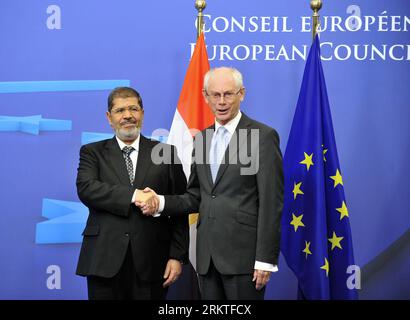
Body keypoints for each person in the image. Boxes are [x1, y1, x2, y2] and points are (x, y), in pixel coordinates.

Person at [137, 67, 284, 300]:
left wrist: (265, 259)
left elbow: (271, 202)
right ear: (205, 96)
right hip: (207, 259)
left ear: (242, 94)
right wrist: (160, 202)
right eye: (215, 95)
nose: (222, 101)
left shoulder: (262, 136)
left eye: (228, 94)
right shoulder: (202, 138)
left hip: (244, 260)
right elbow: (197, 195)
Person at [75, 87, 188, 300]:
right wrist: (135, 196)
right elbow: (87, 188)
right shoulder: (92, 152)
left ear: (142, 113)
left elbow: (181, 205)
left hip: (153, 262)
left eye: (133, 109)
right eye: (120, 110)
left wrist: (177, 256)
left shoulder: (165, 153)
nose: (127, 115)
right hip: (104, 261)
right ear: (109, 117)